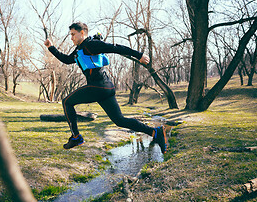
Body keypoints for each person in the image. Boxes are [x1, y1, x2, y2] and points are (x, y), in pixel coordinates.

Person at [44, 22, 168, 154]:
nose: (71, 38)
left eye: (73, 34)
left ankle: (76, 137)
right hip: (105, 88)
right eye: (71, 35)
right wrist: (51, 47)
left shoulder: (91, 45)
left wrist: (138, 55)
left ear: (82, 33)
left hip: (98, 87)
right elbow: (67, 60)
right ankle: (155, 132)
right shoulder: (79, 49)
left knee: (67, 102)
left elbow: (115, 48)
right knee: (120, 120)